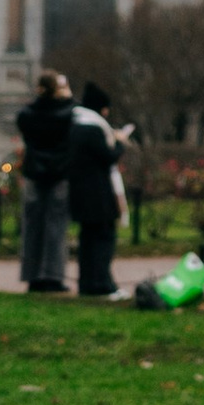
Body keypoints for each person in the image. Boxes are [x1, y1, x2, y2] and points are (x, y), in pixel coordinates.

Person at [67, 79, 130, 300]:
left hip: (80, 192)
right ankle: (102, 284)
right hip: (98, 194)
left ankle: (87, 284)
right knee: (103, 240)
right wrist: (120, 142)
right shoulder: (94, 129)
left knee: (87, 241)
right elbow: (107, 157)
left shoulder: (74, 125)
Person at [15, 70, 74, 292]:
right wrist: (67, 98)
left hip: (34, 172)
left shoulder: (27, 115)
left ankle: (32, 275)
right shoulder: (68, 113)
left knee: (32, 226)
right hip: (59, 174)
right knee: (56, 226)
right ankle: (53, 276)